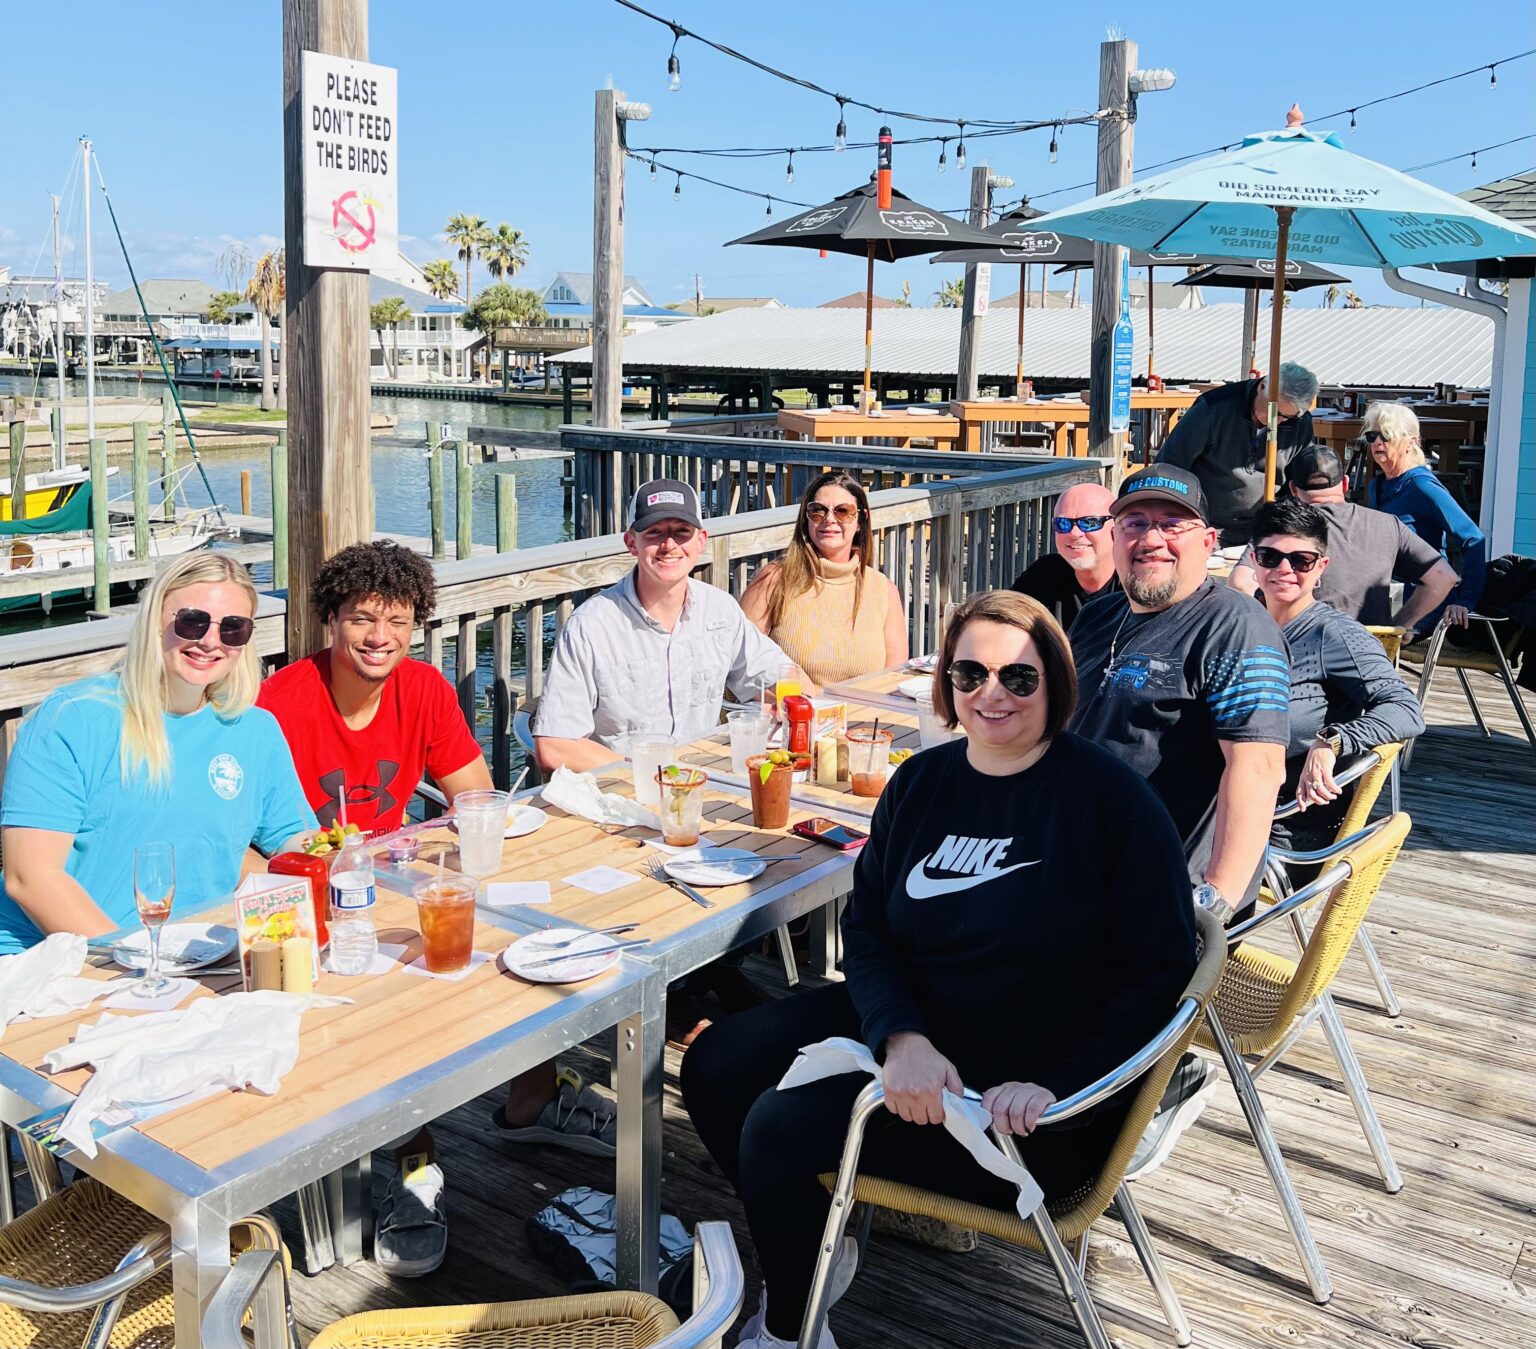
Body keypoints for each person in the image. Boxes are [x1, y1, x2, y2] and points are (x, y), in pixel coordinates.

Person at [681, 591, 1197, 1349]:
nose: (992, 693)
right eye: (970, 673)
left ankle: (792, 1327)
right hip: (926, 1031)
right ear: (946, 684)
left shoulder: (1110, 801)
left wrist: (1063, 1084)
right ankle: (812, 1250)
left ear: (1056, 682)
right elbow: (869, 931)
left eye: (1019, 677)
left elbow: (1161, 974)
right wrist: (903, 1037)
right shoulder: (922, 784)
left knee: (778, 1128)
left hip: (1029, 1102)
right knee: (715, 1062)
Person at [258, 540, 612, 1279]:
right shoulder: (283, 698)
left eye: (395, 618)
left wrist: (470, 850)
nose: (378, 635)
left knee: (516, 944)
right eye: (360, 618)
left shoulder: (422, 688)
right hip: (313, 898)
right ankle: (415, 1163)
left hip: (398, 885)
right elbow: (255, 839)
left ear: (416, 622)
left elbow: (475, 798)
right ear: (331, 620)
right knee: (393, 1011)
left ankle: (532, 1098)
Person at [1, 553, 314, 954]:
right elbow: (30, 878)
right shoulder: (74, 718)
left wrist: (340, 858)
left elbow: (291, 837)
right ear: (155, 620)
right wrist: (134, 958)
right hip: (56, 956)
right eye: (192, 621)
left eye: (234, 629)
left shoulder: (256, 729)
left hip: (196, 951)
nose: (210, 640)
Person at [1069, 466, 1289, 923]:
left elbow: (1259, 767)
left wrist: (1213, 903)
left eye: (1172, 524)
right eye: (1135, 524)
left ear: (1208, 542)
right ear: (1115, 538)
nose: (1152, 539)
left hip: (1157, 890)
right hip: (1074, 858)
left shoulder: (1236, 627)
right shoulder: (1098, 615)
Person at [534, 478, 802, 772]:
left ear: (701, 540)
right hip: (621, 794)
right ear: (630, 543)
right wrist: (647, 773)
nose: (669, 545)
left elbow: (787, 677)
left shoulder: (720, 610)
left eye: (682, 532)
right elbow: (554, 746)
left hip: (704, 780)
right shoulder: (590, 626)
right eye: (654, 533)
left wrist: (783, 699)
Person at [1247, 498, 1424, 852]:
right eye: (1271, 557)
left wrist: (1332, 741)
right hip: (1225, 797)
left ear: (1320, 567)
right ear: (1253, 559)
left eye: (1300, 560)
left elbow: (1405, 709)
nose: (1284, 569)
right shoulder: (1240, 622)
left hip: (1282, 825)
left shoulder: (1333, 634)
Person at [1226, 445, 1457, 628]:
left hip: (1303, 648)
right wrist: (1400, 625)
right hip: (1374, 649)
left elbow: (1240, 583)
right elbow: (1444, 577)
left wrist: (1267, 626)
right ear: (1345, 483)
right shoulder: (1388, 524)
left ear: (1294, 490)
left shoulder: (1283, 526)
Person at [740, 471, 907, 686]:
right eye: (817, 511)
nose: (829, 520)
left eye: (843, 511)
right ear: (805, 518)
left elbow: (891, 678)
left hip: (863, 716)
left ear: (860, 521)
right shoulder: (775, 579)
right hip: (794, 715)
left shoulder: (884, 590)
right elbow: (740, 661)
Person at [1155, 361, 1319, 545]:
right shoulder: (1213, 408)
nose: (1279, 421)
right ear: (1262, 386)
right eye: (1276, 411)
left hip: (1267, 529)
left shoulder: (1299, 422)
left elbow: (1301, 478)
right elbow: (1170, 466)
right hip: (1206, 526)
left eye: (1288, 417)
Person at [1362, 401, 1486, 638]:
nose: (1378, 442)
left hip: (1421, 603)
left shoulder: (1421, 485)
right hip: (1387, 596)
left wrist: (1466, 601)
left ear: (1412, 441)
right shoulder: (1376, 486)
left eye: (1387, 435)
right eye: (1372, 435)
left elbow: (1474, 538)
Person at [1009, 480, 1121, 626]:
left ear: (1117, 527)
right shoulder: (1044, 575)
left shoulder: (1135, 585)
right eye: (1063, 524)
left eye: (1090, 523)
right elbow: (1001, 621)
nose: (1074, 533)